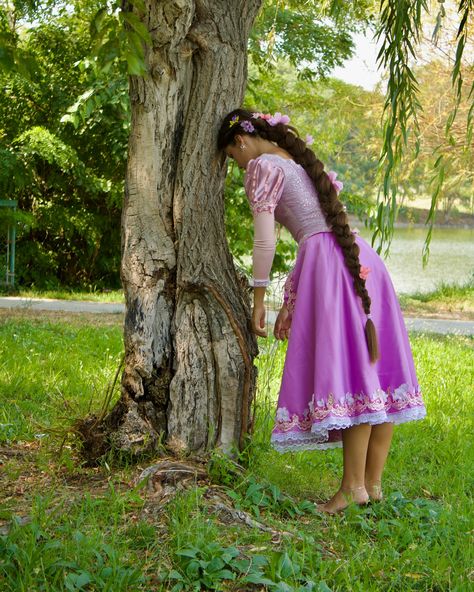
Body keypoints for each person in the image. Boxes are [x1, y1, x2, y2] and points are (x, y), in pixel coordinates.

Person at [217, 108, 427, 514]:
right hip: (363, 262)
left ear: (240, 142)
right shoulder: (298, 163)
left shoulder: (262, 166)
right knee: (374, 372)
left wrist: (259, 298)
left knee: (358, 377)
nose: (237, 165)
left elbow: (265, 243)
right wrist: (291, 304)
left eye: (232, 157)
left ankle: (352, 490)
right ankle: (371, 484)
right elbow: (317, 228)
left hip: (333, 269)